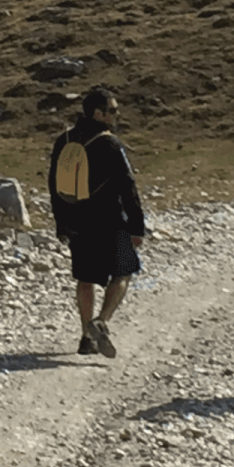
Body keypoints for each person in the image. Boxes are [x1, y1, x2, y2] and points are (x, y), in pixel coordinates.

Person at [47, 87, 146, 358]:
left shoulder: (64, 140)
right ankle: (101, 321)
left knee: (85, 278)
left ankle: (85, 337)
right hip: (110, 220)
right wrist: (137, 227)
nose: (117, 114)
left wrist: (61, 223)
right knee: (123, 272)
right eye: (112, 110)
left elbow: (54, 185)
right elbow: (128, 187)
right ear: (98, 114)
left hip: (76, 222)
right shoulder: (110, 143)